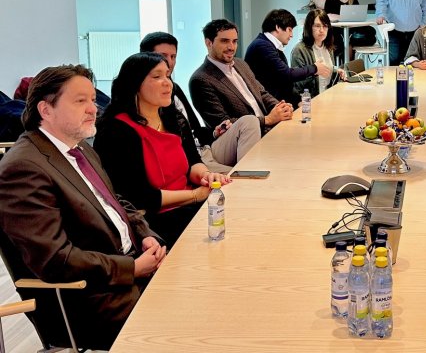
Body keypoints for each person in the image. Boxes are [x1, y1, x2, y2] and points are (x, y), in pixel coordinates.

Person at [0, 65, 166, 350]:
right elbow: (56, 260)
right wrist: (131, 268)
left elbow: (115, 201)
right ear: (45, 110)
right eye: (80, 101)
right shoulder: (23, 168)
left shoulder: (79, 147)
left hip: (129, 272)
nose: (93, 108)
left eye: (92, 99)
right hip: (93, 299)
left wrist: (145, 235)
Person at [94, 53, 231, 246]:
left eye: (168, 76)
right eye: (157, 77)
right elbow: (139, 197)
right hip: (155, 220)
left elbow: (193, 161)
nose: (168, 83)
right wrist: (194, 196)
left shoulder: (174, 118)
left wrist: (206, 176)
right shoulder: (116, 130)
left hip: (190, 204)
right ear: (135, 84)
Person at [140, 32, 260, 169]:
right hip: (188, 159)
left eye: (173, 56)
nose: (169, 62)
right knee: (242, 175)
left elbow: (193, 129)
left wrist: (214, 132)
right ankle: (246, 174)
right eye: (163, 56)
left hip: (204, 148)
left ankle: (247, 172)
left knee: (249, 121)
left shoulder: (174, 88)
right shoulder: (148, 97)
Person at [190, 19, 293, 137]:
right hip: (247, 140)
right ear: (209, 43)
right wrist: (267, 120)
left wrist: (280, 107)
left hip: (270, 130)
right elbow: (223, 123)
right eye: (225, 41)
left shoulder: (240, 64)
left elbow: (261, 93)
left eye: (234, 41)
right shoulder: (200, 80)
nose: (231, 47)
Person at [245, 9, 331, 107]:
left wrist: (298, 100)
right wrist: (314, 68)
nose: (291, 35)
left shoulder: (271, 46)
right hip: (266, 106)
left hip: (276, 102)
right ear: (278, 27)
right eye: (289, 30)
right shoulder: (262, 46)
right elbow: (287, 74)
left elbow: (285, 83)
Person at [291, 9, 346, 97]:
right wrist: (314, 71)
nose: (322, 30)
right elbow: (298, 84)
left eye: (325, 26)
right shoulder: (299, 50)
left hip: (329, 95)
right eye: (317, 26)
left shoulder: (328, 47)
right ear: (309, 27)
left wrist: (336, 70)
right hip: (311, 99)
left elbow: (326, 68)